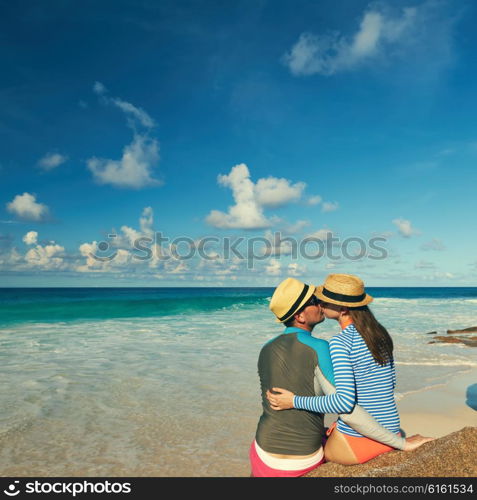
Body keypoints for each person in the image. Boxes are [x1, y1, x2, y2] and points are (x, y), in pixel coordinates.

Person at [250, 277, 429, 477]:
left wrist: (294, 401)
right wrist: (401, 442)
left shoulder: (265, 349)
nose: (320, 303)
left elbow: (342, 403)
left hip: (261, 451)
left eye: (322, 300)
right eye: (314, 301)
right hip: (306, 458)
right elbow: (360, 399)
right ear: (300, 316)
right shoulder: (370, 337)